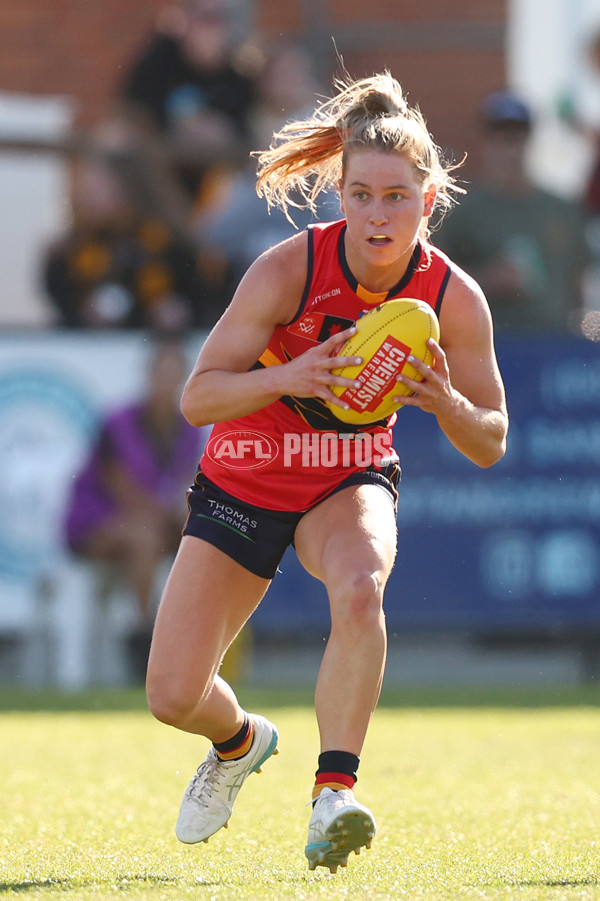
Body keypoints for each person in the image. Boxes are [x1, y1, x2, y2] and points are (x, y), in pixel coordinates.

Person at [145, 72, 508, 872]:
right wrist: (290, 375)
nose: (379, 215)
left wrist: (447, 403)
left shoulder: (454, 296)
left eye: (397, 197)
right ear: (340, 194)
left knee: (360, 585)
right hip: (245, 471)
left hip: (347, 471)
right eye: (362, 195)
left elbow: (492, 440)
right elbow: (199, 396)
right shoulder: (287, 269)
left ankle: (333, 793)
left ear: (429, 198)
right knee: (172, 694)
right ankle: (240, 743)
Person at [64, 337, 207, 675]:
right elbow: (120, 487)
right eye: (162, 373)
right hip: (98, 522)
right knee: (144, 538)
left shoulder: (188, 428)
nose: (167, 382)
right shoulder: (118, 422)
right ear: (149, 375)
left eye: (175, 374)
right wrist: (170, 511)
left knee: (204, 537)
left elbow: (188, 481)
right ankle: (146, 636)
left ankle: (190, 637)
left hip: (153, 524)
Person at [434, 89, 589, 333]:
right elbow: (436, 283)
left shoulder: (562, 210)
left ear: (528, 138)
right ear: (486, 140)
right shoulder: (459, 211)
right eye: (500, 134)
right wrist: (488, 280)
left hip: (554, 342)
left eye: (517, 135)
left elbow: (579, 280)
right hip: (490, 342)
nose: (509, 145)